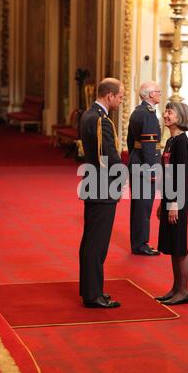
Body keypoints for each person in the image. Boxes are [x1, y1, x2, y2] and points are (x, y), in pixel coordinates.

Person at [79, 78, 125, 308]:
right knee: (97, 244)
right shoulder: (101, 121)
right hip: (103, 188)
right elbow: (110, 157)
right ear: (109, 95)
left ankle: (90, 289)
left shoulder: (88, 115)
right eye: (120, 96)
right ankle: (93, 295)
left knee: (90, 241)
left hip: (92, 185)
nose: (120, 100)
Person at [156, 102, 188, 305]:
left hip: (178, 200)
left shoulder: (182, 142)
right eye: (166, 111)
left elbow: (180, 176)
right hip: (170, 197)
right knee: (172, 244)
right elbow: (167, 173)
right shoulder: (171, 140)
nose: (166, 114)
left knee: (180, 246)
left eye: (170, 112)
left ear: (180, 117)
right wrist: (163, 202)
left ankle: (184, 291)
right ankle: (175, 288)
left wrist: (173, 205)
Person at [127, 81, 162, 256]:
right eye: (158, 92)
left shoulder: (137, 112)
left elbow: (130, 141)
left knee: (139, 205)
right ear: (149, 95)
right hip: (145, 164)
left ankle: (138, 242)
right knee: (143, 206)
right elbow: (149, 146)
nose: (160, 94)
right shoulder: (147, 114)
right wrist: (152, 169)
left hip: (136, 161)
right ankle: (141, 244)